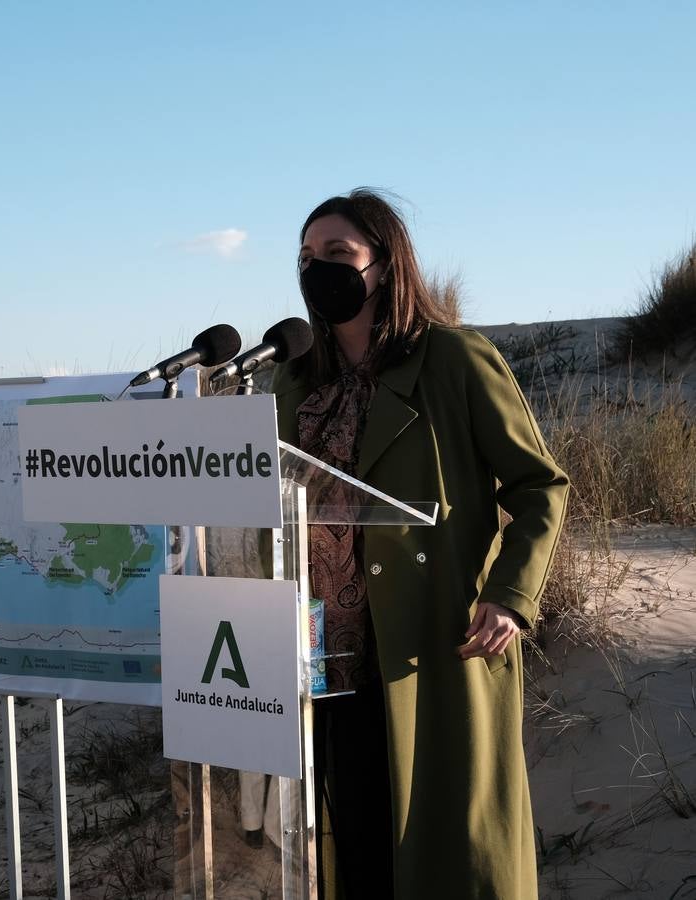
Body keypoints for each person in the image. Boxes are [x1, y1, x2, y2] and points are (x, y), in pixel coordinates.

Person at [271, 188, 569, 899]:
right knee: (356, 849)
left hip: (429, 642)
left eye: (338, 255)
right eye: (308, 257)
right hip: (316, 657)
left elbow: (539, 487)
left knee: (443, 852)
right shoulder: (292, 381)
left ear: (386, 264)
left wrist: (510, 595)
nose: (320, 271)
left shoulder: (454, 361)